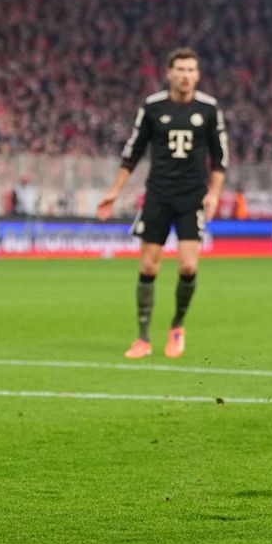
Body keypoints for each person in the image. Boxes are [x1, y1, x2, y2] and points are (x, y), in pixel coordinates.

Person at [97, 48, 228, 359]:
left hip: (192, 196)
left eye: (190, 70)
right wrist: (115, 190)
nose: (185, 75)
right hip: (158, 195)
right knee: (148, 265)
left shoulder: (209, 108)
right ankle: (142, 338)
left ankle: (177, 326)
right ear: (169, 73)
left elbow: (220, 156)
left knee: (188, 265)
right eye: (179, 69)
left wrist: (214, 193)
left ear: (197, 75)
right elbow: (133, 150)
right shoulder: (153, 106)